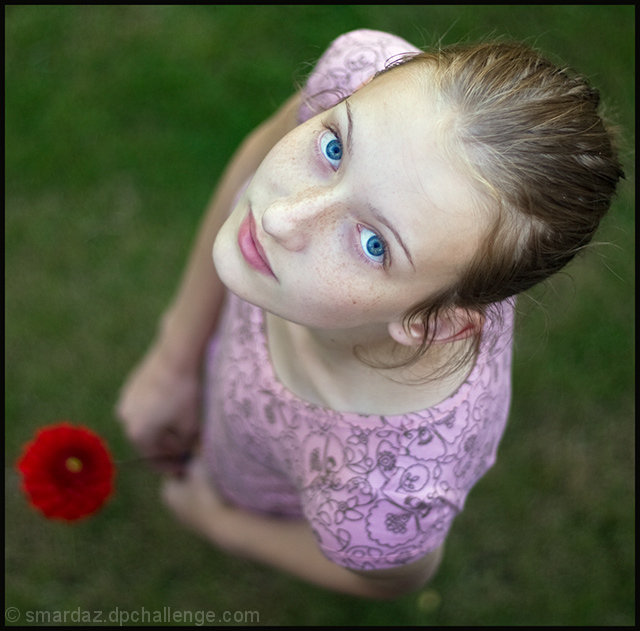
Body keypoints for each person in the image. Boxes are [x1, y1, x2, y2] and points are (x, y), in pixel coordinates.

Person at [115, 29, 623, 599]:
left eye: (373, 243)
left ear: (429, 322)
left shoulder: (385, 491)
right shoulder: (367, 75)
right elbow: (256, 159)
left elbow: (391, 580)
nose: (282, 217)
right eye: (334, 149)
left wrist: (221, 523)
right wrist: (173, 358)